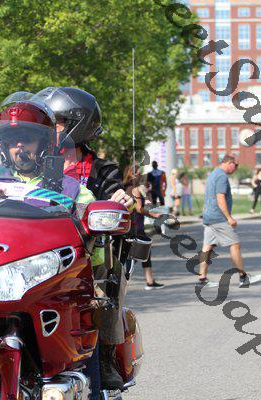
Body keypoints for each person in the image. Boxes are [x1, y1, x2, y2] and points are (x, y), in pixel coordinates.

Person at [33, 86, 134, 394]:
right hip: (39, 251)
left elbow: (117, 197)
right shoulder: (36, 163)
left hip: (89, 255)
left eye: (55, 122)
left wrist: (122, 201)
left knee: (101, 294)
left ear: (78, 124)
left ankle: (104, 358)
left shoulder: (101, 169)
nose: (48, 128)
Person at [198, 155, 251, 287]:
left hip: (209, 216)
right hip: (218, 217)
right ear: (229, 163)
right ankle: (243, 277)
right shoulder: (222, 176)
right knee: (235, 244)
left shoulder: (213, 174)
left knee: (207, 247)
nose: (236, 169)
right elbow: (220, 197)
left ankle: (202, 279)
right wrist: (229, 217)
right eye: (236, 166)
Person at [124, 166, 164, 289]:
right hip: (136, 226)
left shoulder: (124, 187)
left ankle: (149, 281)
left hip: (128, 225)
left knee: (138, 253)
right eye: (137, 173)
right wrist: (154, 215)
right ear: (131, 174)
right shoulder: (135, 189)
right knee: (139, 254)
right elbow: (139, 209)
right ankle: (146, 281)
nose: (139, 175)